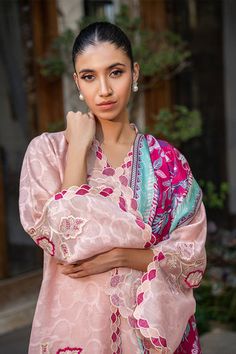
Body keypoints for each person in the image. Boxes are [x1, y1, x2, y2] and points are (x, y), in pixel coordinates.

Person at [19, 22, 207, 354]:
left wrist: (123, 256)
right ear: (77, 82)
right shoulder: (47, 153)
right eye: (89, 76)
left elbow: (191, 258)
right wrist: (77, 148)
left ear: (134, 73)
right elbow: (66, 242)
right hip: (77, 334)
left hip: (147, 336)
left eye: (115, 72)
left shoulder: (167, 162)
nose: (104, 89)